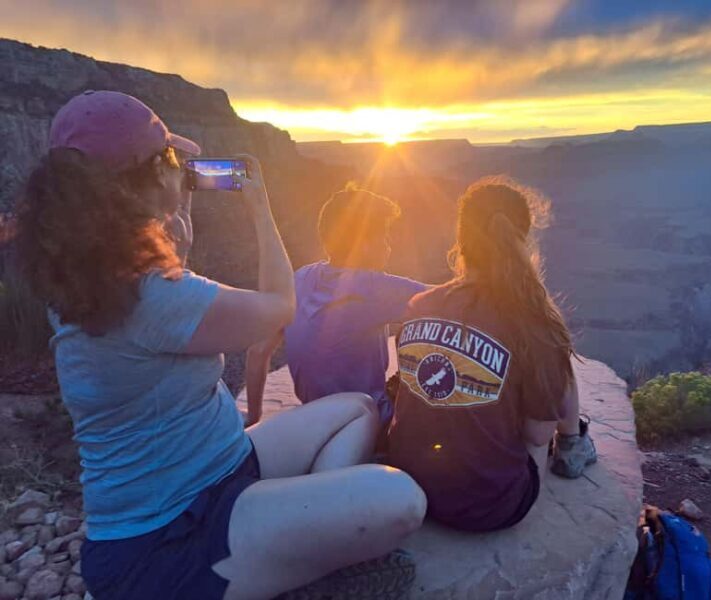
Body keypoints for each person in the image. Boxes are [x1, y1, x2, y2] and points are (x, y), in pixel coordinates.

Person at [14, 90, 426, 600]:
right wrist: (259, 206)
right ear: (134, 185)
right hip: (169, 541)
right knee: (401, 498)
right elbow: (280, 305)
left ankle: (300, 535)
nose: (182, 170)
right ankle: (310, 556)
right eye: (170, 159)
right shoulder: (150, 295)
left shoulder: (89, 275)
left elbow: (161, 319)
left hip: (222, 463)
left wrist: (167, 235)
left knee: (358, 409)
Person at [387, 177, 596, 533]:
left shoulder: (419, 305)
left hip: (410, 486)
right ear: (522, 240)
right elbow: (537, 433)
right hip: (491, 507)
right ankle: (574, 445)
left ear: (461, 240)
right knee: (553, 357)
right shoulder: (534, 321)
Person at [246, 185, 426, 427]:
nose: (389, 245)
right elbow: (453, 299)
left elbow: (257, 352)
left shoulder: (299, 279)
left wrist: (254, 418)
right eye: (383, 235)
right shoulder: (370, 287)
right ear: (364, 243)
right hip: (366, 423)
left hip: (315, 418)